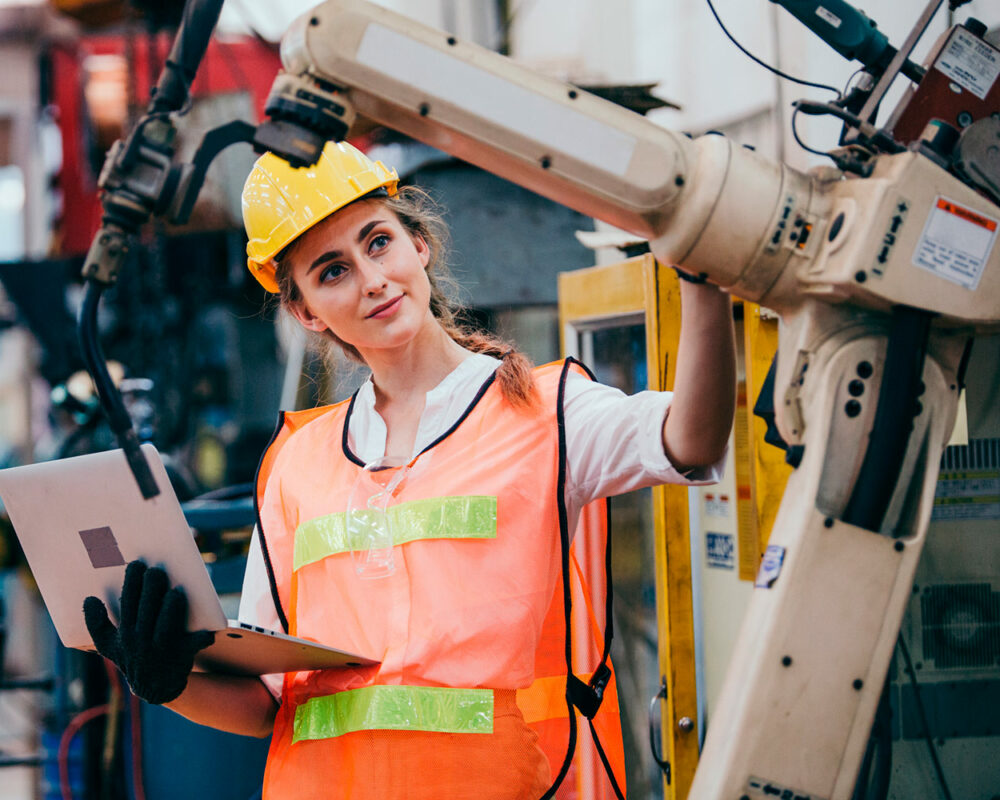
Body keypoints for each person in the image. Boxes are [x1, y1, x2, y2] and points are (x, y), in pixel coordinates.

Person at [84, 141, 736, 800]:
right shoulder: (295, 465)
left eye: (378, 242)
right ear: (306, 310)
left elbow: (691, 439)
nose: (372, 280)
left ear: (418, 244)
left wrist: (702, 278)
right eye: (332, 271)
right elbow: (266, 704)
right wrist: (166, 684)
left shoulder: (546, 412)